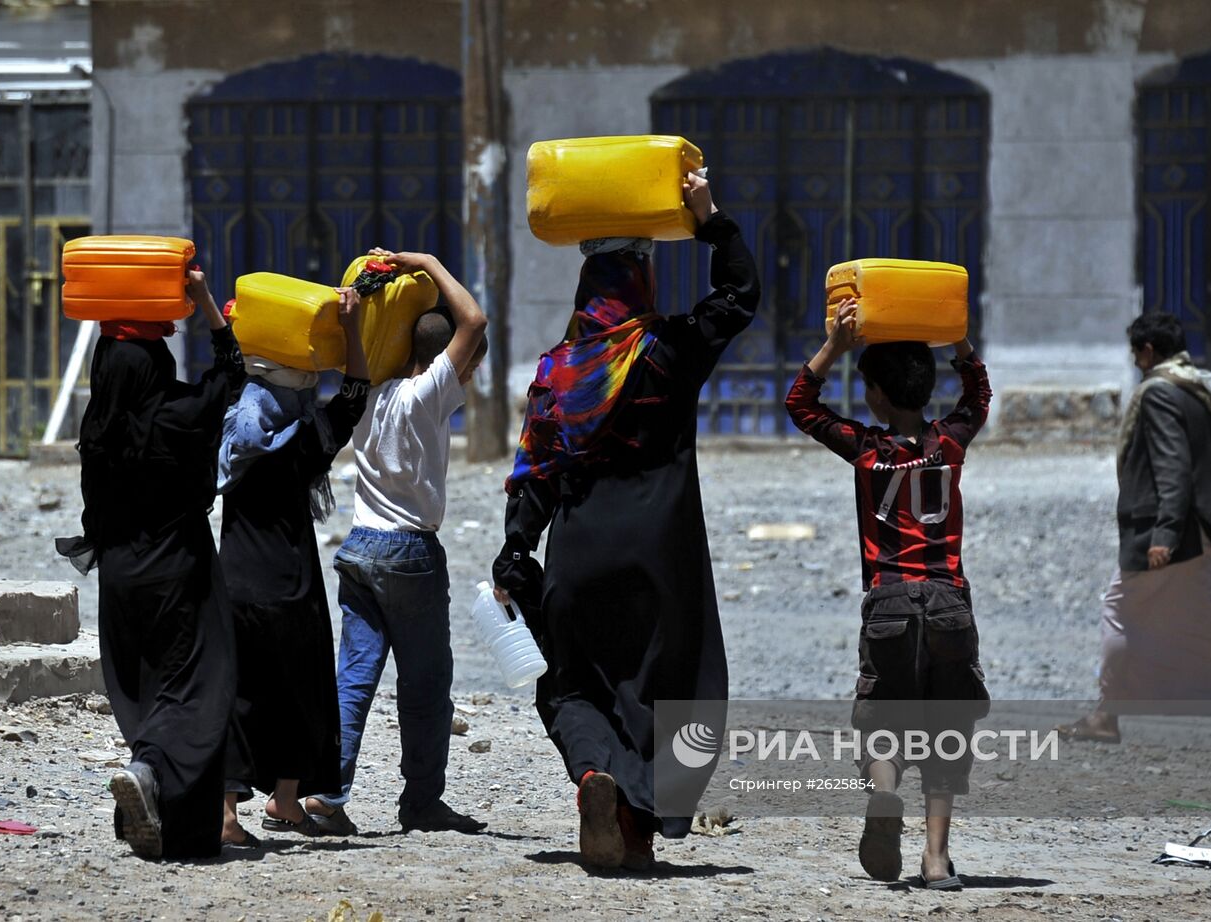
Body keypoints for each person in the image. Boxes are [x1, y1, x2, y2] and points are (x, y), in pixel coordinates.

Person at [491, 172, 760, 870]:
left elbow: (535, 473)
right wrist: (711, 219)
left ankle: (595, 784)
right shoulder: (668, 352)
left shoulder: (557, 373)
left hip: (578, 554)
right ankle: (639, 814)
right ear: (638, 288)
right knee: (668, 688)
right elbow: (738, 297)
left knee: (575, 683)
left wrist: (516, 549)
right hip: (658, 560)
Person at [785, 301, 991, 888]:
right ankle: (934, 860)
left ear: (875, 394)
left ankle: (883, 793)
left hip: (889, 601)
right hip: (948, 601)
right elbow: (977, 397)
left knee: (883, 720)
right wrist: (960, 343)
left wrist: (834, 347)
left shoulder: (866, 448)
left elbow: (800, 405)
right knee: (947, 730)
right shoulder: (950, 442)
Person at [56, 269, 246, 860]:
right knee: (197, 685)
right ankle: (148, 773)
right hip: (178, 572)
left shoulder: (97, 430)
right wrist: (207, 303)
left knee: (143, 689)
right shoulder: (181, 414)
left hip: (117, 577)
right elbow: (232, 373)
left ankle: (167, 817)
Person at [302, 251, 489, 836]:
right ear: (446, 361)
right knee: (427, 687)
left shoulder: (370, 397)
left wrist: (356, 326)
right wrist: (428, 262)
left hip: (359, 549)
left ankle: (325, 796)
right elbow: (474, 325)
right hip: (409, 554)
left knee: (354, 677)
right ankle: (422, 802)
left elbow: (354, 371)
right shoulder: (429, 393)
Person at [1057, 312, 1211, 755]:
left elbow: (1173, 469)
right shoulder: (1200, 388)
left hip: (1183, 534)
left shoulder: (1159, 394)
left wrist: (1164, 535)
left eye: (1136, 353)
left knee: (1121, 608)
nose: (1135, 362)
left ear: (1148, 352)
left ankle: (1104, 717)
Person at [216, 288, 371, 846]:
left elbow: (228, 359)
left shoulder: (236, 425)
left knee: (233, 693)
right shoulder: (306, 439)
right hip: (290, 584)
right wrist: (352, 329)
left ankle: (227, 817)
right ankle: (286, 799)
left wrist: (214, 305)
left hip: (230, 581)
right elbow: (352, 395)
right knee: (301, 692)